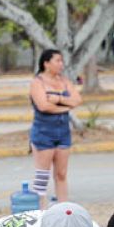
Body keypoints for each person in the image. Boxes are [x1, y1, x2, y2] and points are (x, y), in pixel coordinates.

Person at [27, 49, 81, 204]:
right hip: (44, 132)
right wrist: (66, 106)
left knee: (61, 174)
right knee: (42, 176)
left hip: (63, 132)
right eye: (57, 61)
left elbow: (77, 100)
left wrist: (56, 98)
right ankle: (40, 211)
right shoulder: (37, 82)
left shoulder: (64, 81)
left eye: (61, 61)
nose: (61, 64)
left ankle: (63, 208)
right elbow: (43, 106)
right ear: (46, 63)